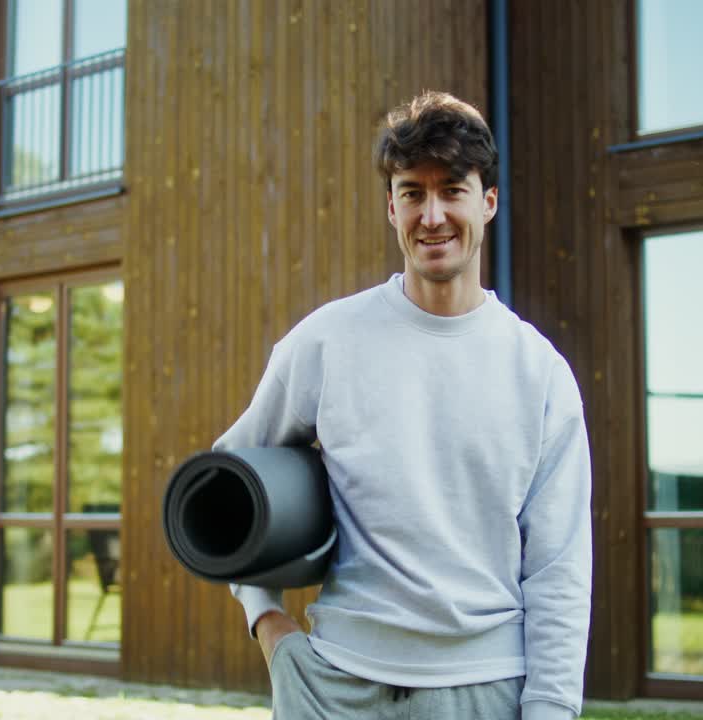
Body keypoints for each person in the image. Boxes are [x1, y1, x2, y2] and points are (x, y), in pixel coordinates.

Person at [212, 90, 592, 720]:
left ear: (489, 201)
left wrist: (551, 709)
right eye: (413, 192)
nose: (433, 214)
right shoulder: (326, 341)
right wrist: (269, 624)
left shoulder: (540, 372)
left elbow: (559, 566)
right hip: (334, 687)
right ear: (392, 208)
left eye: (453, 190)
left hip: (483, 692)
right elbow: (229, 480)